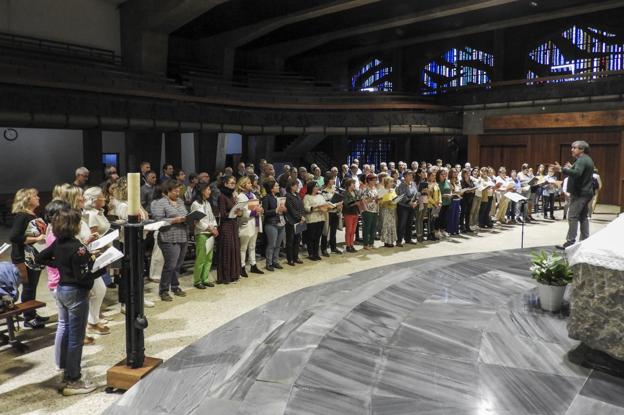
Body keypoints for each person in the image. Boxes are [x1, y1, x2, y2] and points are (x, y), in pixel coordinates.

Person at [35, 208, 100, 396]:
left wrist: (60, 265)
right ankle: (73, 380)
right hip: (76, 293)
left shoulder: (59, 243)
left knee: (66, 331)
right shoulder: (76, 247)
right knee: (75, 338)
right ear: (74, 225)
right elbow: (83, 278)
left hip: (61, 290)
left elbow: (40, 257)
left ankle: (65, 370)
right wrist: (101, 269)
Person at [9, 188, 48, 328]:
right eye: (35, 196)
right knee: (28, 288)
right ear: (27, 199)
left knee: (32, 287)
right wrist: (36, 238)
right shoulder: (22, 216)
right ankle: (28, 318)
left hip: (33, 257)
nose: (38, 197)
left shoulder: (31, 214)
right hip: (24, 258)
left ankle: (32, 312)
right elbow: (14, 237)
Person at [151, 179, 189, 301]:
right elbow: (158, 220)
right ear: (167, 191)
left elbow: (185, 214)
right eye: (175, 191)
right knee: (170, 265)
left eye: (179, 191)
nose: (178, 193)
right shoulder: (160, 203)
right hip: (168, 237)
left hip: (182, 235)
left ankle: (175, 286)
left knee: (178, 265)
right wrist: (174, 220)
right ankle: (163, 290)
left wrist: (189, 218)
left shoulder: (180, 201)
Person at [554, 140, 595, 249]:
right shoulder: (586, 159)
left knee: (572, 216)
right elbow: (581, 173)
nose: (572, 149)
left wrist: (562, 169)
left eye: (574, 147)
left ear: (582, 149)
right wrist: (571, 167)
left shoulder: (582, 160)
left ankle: (570, 241)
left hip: (580, 193)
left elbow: (577, 174)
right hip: (586, 192)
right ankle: (585, 240)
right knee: (583, 217)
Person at [82, 187, 111, 336]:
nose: (104, 199)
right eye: (102, 197)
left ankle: (94, 318)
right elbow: (94, 236)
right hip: (97, 252)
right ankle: (92, 320)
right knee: (97, 288)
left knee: (100, 287)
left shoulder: (100, 212)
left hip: (104, 249)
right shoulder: (91, 215)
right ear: (94, 200)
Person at [190, 183, 218, 289]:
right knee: (201, 258)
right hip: (201, 233)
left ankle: (205, 279)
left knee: (209, 258)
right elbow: (197, 222)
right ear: (202, 191)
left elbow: (212, 217)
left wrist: (215, 227)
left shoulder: (207, 203)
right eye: (208, 189)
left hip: (210, 233)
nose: (210, 191)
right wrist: (210, 228)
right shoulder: (196, 204)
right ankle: (197, 281)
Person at [217, 175, 243, 284]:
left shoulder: (232, 196)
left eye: (234, 183)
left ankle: (234, 274)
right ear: (225, 184)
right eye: (231, 183)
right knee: (227, 250)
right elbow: (223, 214)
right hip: (226, 226)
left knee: (234, 249)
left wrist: (239, 212)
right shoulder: (222, 196)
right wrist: (233, 212)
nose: (233, 185)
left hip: (233, 224)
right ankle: (225, 276)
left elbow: (236, 211)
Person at [236, 177, 264, 277]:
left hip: (255, 222)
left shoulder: (252, 194)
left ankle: (253, 265)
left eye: (250, 183)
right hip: (246, 224)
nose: (251, 184)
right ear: (243, 185)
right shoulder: (240, 196)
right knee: (243, 248)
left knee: (252, 246)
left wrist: (260, 210)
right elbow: (243, 212)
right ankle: (242, 267)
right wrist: (254, 211)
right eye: (248, 183)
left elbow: (256, 207)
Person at [262, 179, 286, 271]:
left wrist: (284, 209)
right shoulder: (266, 198)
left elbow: (282, 210)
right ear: (271, 189)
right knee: (271, 244)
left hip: (281, 222)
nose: (278, 187)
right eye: (276, 186)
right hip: (271, 223)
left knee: (278, 245)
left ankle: (275, 261)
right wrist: (276, 210)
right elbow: (265, 212)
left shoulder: (279, 197)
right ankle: (269, 263)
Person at [303, 181, 327, 260]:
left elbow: (324, 204)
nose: (317, 188)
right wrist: (316, 207)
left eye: (317, 186)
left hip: (321, 218)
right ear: (311, 188)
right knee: (311, 237)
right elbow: (306, 208)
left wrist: (326, 207)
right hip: (311, 219)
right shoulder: (307, 197)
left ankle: (316, 253)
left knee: (317, 237)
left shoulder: (320, 196)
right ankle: (311, 254)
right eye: (316, 186)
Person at [284, 178, 306, 265]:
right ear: (290, 187)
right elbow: (291, 209)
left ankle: (296, 257)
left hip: (300, 221)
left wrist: (302, 216)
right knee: (290, 241)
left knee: (297, 240)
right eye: (295, 185)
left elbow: (302, 207)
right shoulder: (288, 196)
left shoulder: (297, 195)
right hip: (291, 221)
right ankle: (290, 259)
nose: (297, 186)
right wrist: (300, 217)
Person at [320, 175, 343, 256]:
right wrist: (335, 204)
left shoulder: (335, 189)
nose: (333, 180)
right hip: (327, 213)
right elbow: (326, 202)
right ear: (327, 181)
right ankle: (324, 249)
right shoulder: (323, 191)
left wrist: (340, 204)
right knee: (325, 231)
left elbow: (339, 198)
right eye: (332, 179)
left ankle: (333, 247)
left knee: (333, 231)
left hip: (335, 212)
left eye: (333, 179)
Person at [396, 171, 418, 246]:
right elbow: (402, 196)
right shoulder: (401, 185)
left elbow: (416, 194)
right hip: (403, 207)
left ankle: (408, 239)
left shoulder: (414, 184)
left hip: (412, 207)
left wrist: (416, 202)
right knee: (402, 224)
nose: (411, 177)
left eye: (412, 175)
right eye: (409, 175)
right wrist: (410, 203)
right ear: (405, 176)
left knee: (410, 223)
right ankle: (399, 240)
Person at [342, 178, 360, 253]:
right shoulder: (345, 193)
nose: (355, 185)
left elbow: (358, 199)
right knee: (348, 230)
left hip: (355, 212)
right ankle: (348, 245)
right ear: (349, 185)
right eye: (353, 184)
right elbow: (346, 203)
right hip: (348, 213)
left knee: (353, 230)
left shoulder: (356, 192)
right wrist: (354, 203)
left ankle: (351, 244)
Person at [379, 176, 398, 247]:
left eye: (392, 182)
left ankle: (391, 241)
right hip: (385, 209)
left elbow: (395, 198)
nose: (392, 183)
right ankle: (386, 241)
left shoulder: (393, 190)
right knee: (386, 225)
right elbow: (379, 202)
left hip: (393, 210)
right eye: (391, 182)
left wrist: (396, 200)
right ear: (386, 183)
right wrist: (387, 202)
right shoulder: (382, 190)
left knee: (392, 225)